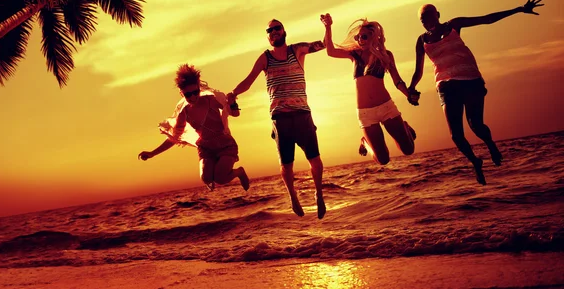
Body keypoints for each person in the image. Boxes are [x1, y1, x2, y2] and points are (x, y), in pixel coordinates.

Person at [408, 0, 544, 185]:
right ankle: (475, 162)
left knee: (476, 125)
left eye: (429, 17)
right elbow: (418, 71)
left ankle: (491, 145)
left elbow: (486, 19)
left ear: (437, 14)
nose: (426, 22)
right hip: (446, 86)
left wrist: (519, 9)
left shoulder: (453, 25)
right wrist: (411, 89)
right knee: (456, 135)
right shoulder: (421, 41)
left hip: (470, 80)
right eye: (422, 20)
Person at [227, 19, 327, 219]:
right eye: (269, 30)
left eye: (277, 28)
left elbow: (323, 44)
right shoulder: (265, 58)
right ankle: (292, 195)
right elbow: (249, 80)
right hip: (280, 118)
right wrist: (233, 93)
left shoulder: (297, 50)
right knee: (286, 164)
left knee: (315, 160)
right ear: (267, 36)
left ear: (284, 31)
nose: (273, 32)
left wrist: (328, 27)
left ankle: (319, 193)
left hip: (302, 114)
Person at [321, 13, 415, 165]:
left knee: (409, 149)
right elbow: (330, 51)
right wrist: (328, 26)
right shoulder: (354, 55)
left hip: (386, 107)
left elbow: (397, 80)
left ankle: (404, 126)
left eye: (363, 37)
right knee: (383, 159)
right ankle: (365, 142)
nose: (360, 40)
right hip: (366, 114)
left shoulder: (386, 55)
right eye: (357, 37)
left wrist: (408, 95)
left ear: (374, 37)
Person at [138, 64, 250, 192]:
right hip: (206, 148)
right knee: (206, 178)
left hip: (224, 144)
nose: (192, 97)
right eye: (188, 94)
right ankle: (211, 174)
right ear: (182, 94)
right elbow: (174, 138)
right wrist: (152, 153)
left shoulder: (211, 100)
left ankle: (239, 172)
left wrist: (232, 103)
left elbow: (235, 114)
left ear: (199, 88)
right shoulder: (184, 112)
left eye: (195, 92)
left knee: (220, 178)